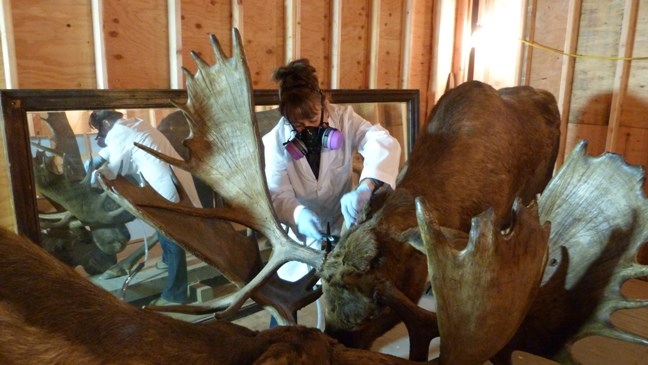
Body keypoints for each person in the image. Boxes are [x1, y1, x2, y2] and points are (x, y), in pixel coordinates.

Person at [262, 59, 401, 324]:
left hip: (341, 222)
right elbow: (277, 193)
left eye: (313, 119)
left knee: (342, 301)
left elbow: (382, 142)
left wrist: (366, 186)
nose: (308, 131)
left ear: (324, 103)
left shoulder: (346, 120)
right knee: (283, 303)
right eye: (298, 125)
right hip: (300, 234)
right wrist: (298, 214)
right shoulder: (275, 141)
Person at [88, 110, 202, 305]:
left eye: (100, 129)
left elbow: (113, 168)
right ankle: (167, 262)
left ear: (106, 122)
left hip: (167, 185)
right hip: (170, 180)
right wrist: (97, 158)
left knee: (171, 234)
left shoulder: (120, 132)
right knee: (162, 225)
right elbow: (114, 149)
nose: (102, 133)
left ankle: (176, 295)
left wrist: (94, 176)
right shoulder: (134, 124)